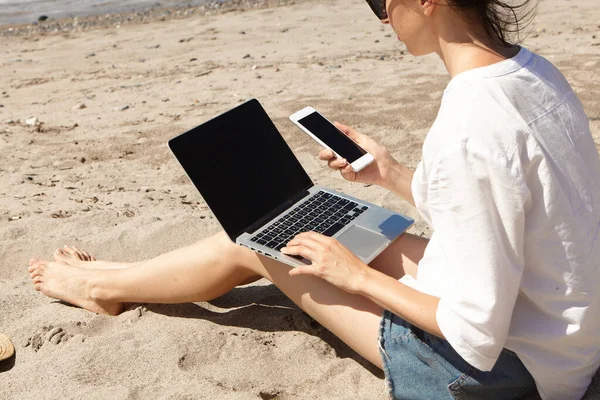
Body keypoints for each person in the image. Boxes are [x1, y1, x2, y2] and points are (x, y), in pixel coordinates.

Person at [27, 0, 600, 399]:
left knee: (257, 247)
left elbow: (473, 331)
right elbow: (508, 204)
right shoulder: (530, 73)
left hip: (496, 370)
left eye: (380, 1)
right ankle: (123, 271)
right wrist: (392, 174)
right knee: (332, 228)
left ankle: (100, 286)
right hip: (563, 331)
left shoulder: (468, 128)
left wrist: (358, 278)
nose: (380, 17)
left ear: (427, 0)